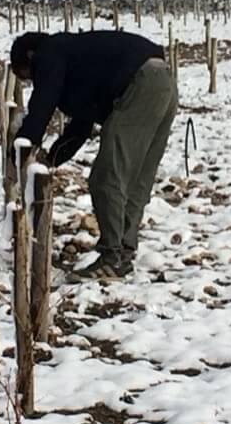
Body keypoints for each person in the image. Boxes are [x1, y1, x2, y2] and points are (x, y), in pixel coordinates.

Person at [12, 29, 178, 281]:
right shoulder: (79, 61)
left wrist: (21, 146)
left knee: (106, 177)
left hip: (139, 84)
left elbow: (42, 102)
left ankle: (112, 256)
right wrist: (53, 157)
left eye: (25, 75)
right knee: (136, 177)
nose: (31, 81)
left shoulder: (49, 52)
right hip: (163, 81)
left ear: (30, 56)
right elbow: (81, 126)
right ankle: (124, 249)